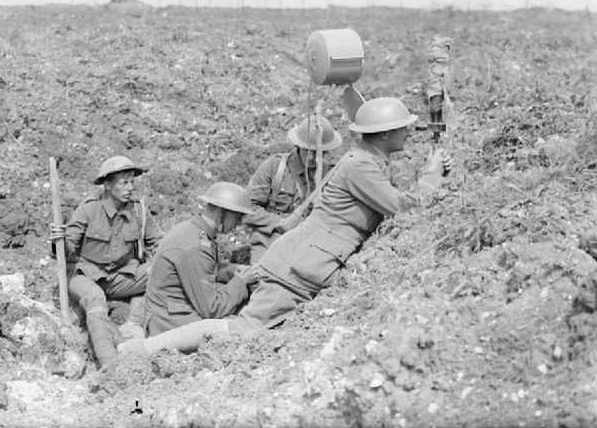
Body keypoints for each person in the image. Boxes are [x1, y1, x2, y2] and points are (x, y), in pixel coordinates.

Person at [118, 97, 452, 355]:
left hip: (298, 261)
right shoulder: (360, 166)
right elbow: (403, 207)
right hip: (295, 267)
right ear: (384, 134)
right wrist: (432, 176)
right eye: (403, 127)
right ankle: (143, 350)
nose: (409, 132)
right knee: (243, 330)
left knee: (243, 327)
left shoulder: (365, 161)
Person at [50, 155, 163, 368]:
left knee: (161, 273)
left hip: (121, 278)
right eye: (124, 182)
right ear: (108, 185)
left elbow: (159, 244)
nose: (130, 187)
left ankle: (133, 327)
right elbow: (67, 250)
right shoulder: (89, 209)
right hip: (84, 275)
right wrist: (59, 240)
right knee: (95, 298)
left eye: (132, 182)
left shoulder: (139, 211)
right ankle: (110, 365)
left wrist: (163, 260)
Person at [144, 182, 260, 337]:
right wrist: (241, 282)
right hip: (170, 324)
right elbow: (212, 309)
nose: (239, 223)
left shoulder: (195, 230)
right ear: (221, 213)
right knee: (243, 329)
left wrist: (232, 271)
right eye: (238, 216)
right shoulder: (196, 246)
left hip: (174, 311)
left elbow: (209, 269)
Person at [244, 115, 343, 263]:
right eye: (306, 151)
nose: (311, 158)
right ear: (298, 146)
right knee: (260, 278)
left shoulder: (332, 175)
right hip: (269, 239)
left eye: (316, 153)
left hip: (309, 244)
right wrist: (281, 221)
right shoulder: (275, 167)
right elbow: (247, 209)